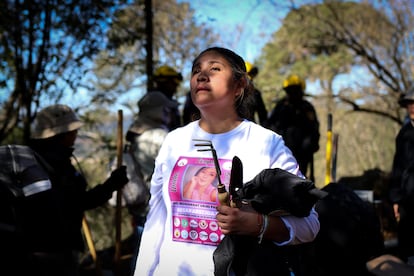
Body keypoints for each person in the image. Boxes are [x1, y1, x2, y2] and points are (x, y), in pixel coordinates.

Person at [133, 47, 320, 275]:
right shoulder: (174, 141)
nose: (201, 75)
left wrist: (257, 224)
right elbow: (156, 221)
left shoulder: (267, 143)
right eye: (196, 70)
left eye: (214, 69)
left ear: (239, 86)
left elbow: (310, 224)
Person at [5, 104, 129, 276]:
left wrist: (111, 184)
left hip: (43, 251)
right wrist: (110, 185)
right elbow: (76, 203)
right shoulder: (51, 164)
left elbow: (74, 201)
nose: (76, 135)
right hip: (51, 254)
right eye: (73, 131)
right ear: (61, 135)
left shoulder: (41, 159)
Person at [124, 91, 179, 271]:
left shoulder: (135, 135)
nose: (168, 113)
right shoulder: (160, 137)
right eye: (165, 109)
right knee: (150, 256)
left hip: (141, 202)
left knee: (143, 251)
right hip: (157, 205)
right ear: (158, 111)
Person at [265, 74, 320, 178]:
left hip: (302, 152)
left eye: (296, 90)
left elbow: (314, 127)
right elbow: (270, 126)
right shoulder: (280, 107)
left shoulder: (307, 107)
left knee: (300, 178)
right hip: (282, 151)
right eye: (290, 90)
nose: (293, 93)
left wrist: (313, 143)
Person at [389, 87, 414, 264]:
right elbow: (398, 167)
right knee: (407, 243)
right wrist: (396, 198)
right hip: (408, 198)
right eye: (408, 104)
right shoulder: (404, 133)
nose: (411, 107)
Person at [151, 65, 183, 130]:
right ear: (164, 82)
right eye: (174, 82)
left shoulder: (169, 101)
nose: (176, 85)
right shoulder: (155, 98)